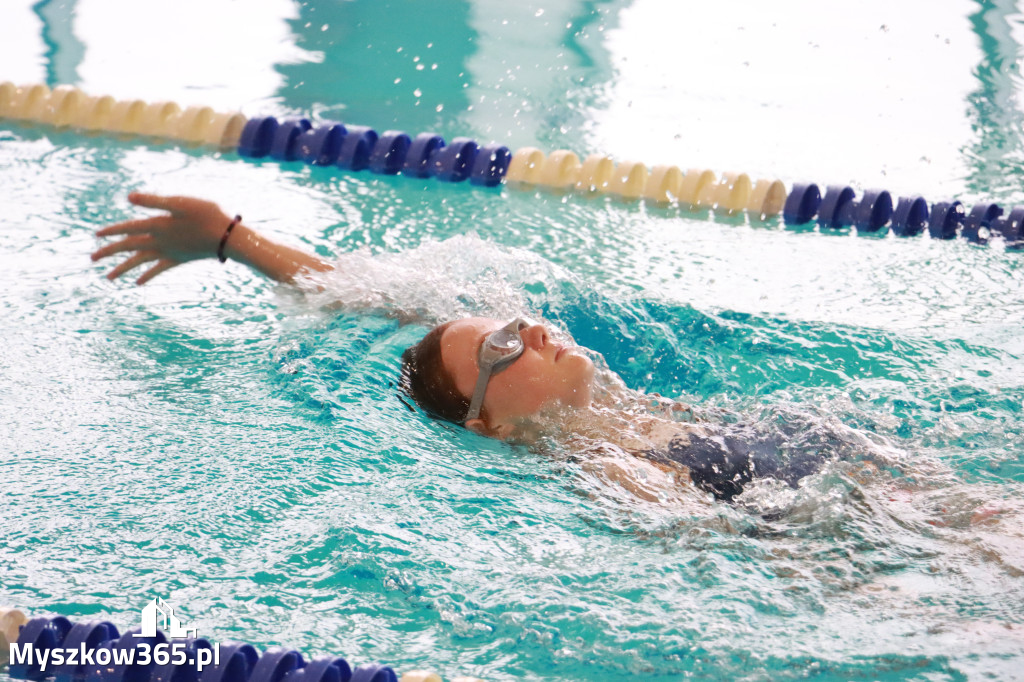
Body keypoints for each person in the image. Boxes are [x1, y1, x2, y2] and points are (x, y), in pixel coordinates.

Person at [92, 193, 867, 505]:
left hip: (840, 462)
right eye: (503, 345)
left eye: (515, 323)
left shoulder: (631, 410)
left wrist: (233, 239)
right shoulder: (611, 473)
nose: (531, 331)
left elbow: (362, 291)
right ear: (490, 425)